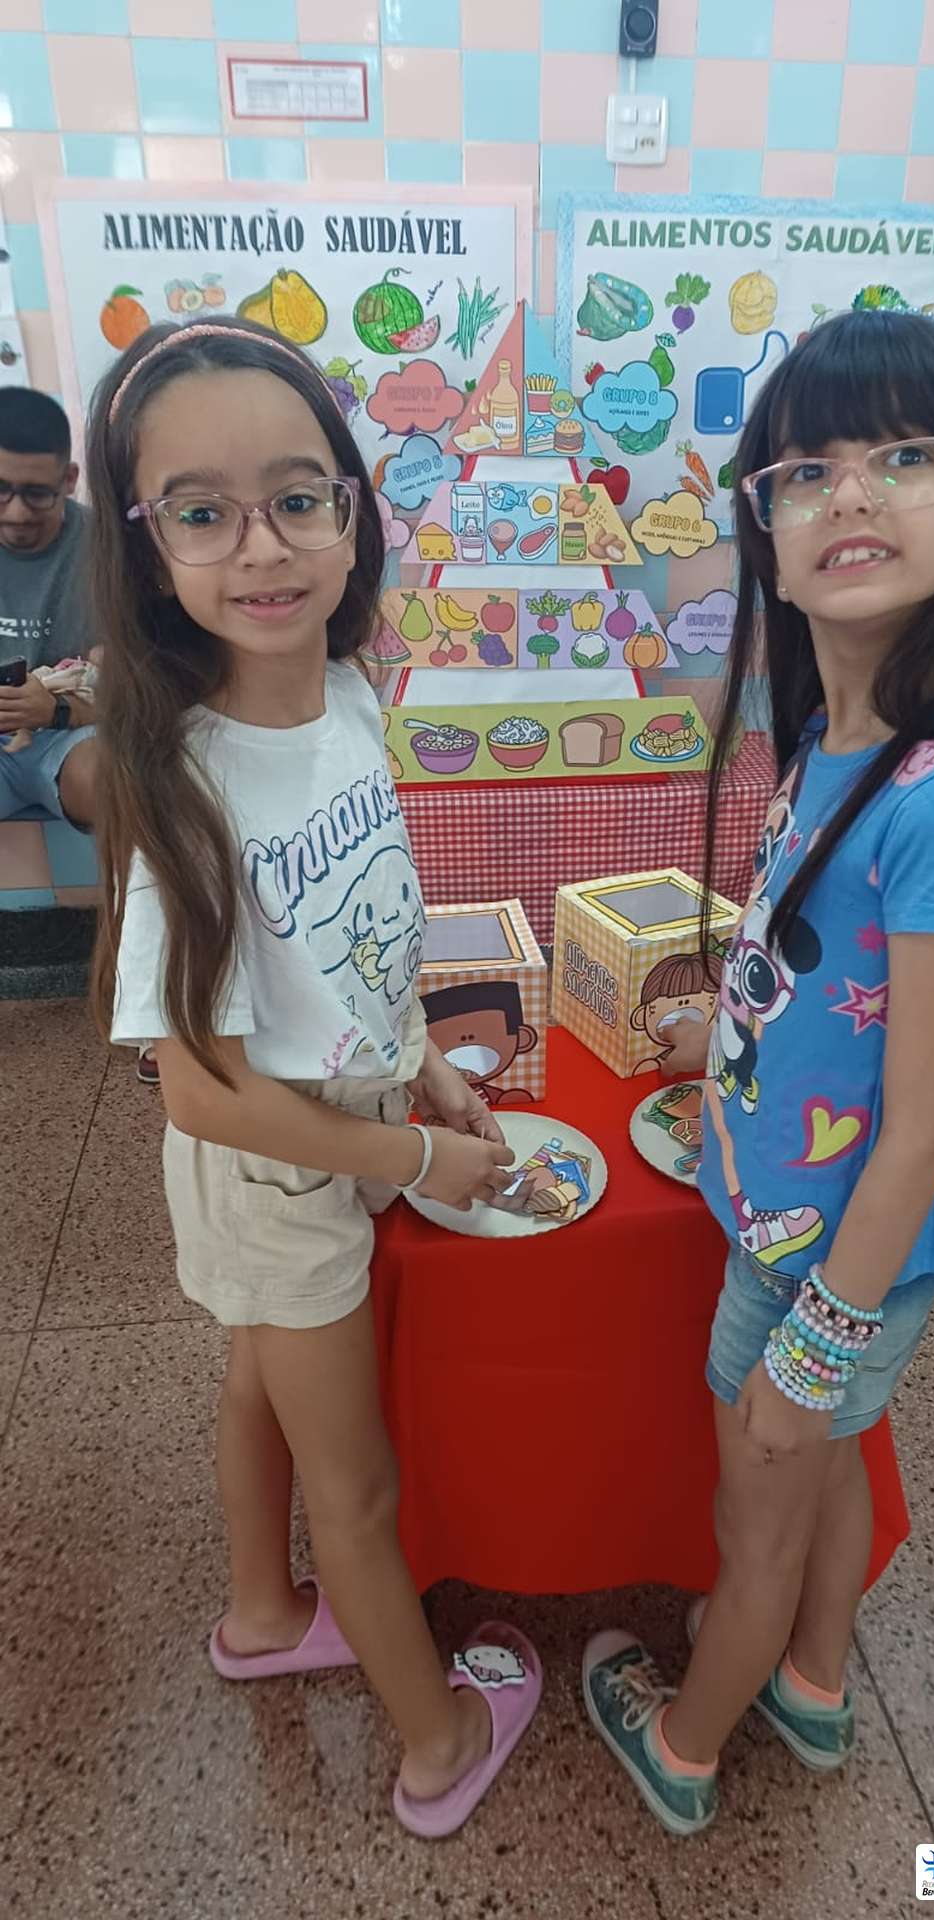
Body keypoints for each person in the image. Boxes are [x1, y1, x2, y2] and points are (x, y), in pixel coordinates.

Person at [86, 316, 540, 1839]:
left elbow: (356, 933)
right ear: (146, 546)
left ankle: (264, 1614)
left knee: (255, 1379)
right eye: (202, 512)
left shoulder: (345, 691)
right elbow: (198, 1092)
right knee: (355, 1487)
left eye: (298, 497)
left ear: (352, 509)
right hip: (278, 1164)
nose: (263, 546)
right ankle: (436, 1740)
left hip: (340, 1120)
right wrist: (411, 1160)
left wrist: (417, 1068)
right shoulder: (187, 786)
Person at [579, 311, 934, 1835]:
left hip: (826, 1262)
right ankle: (818, 1688)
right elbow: (835, 982)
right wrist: (729, 1038)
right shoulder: (833, 737)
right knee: (825, 1475)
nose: (853, 492)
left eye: (907, 455)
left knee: (755, 1514)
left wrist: (820, 1339)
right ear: (764, 529)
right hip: (789, 1213)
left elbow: (926, 1125)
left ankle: (684, 1745)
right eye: (809, 468)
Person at [0, 389, 96, 825]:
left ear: (69, 479)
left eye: (38, 494)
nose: (16, 514)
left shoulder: (110, 550)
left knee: (119, 782)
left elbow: (146, 696)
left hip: (73, 735)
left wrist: (56, 710)